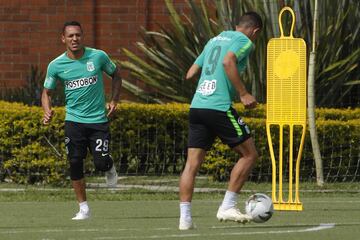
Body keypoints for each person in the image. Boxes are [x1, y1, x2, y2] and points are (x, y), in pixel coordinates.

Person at [178, 12, 263, 230]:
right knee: (250, 154)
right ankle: (227, 206)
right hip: (218, 107)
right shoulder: (244, 41)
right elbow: (228, 61)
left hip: (197, 106)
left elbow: (190, 73)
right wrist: (243, 93)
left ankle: (185, 219)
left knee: (192, 164)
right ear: (255, 31)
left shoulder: (214, 39)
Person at [41, 21, 122, 220]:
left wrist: (114, 100)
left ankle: (109, 166)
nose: (74, 39)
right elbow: (46, 93)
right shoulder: (56, 65)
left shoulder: (98, 56)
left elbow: (116, 75)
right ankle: (84, 208)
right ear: (63, 39)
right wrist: (47, 110)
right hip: (74, 121)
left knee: (100, 162)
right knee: (75, 162)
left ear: (82, 36)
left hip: (98, 121)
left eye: (78, 35)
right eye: (70, 36)